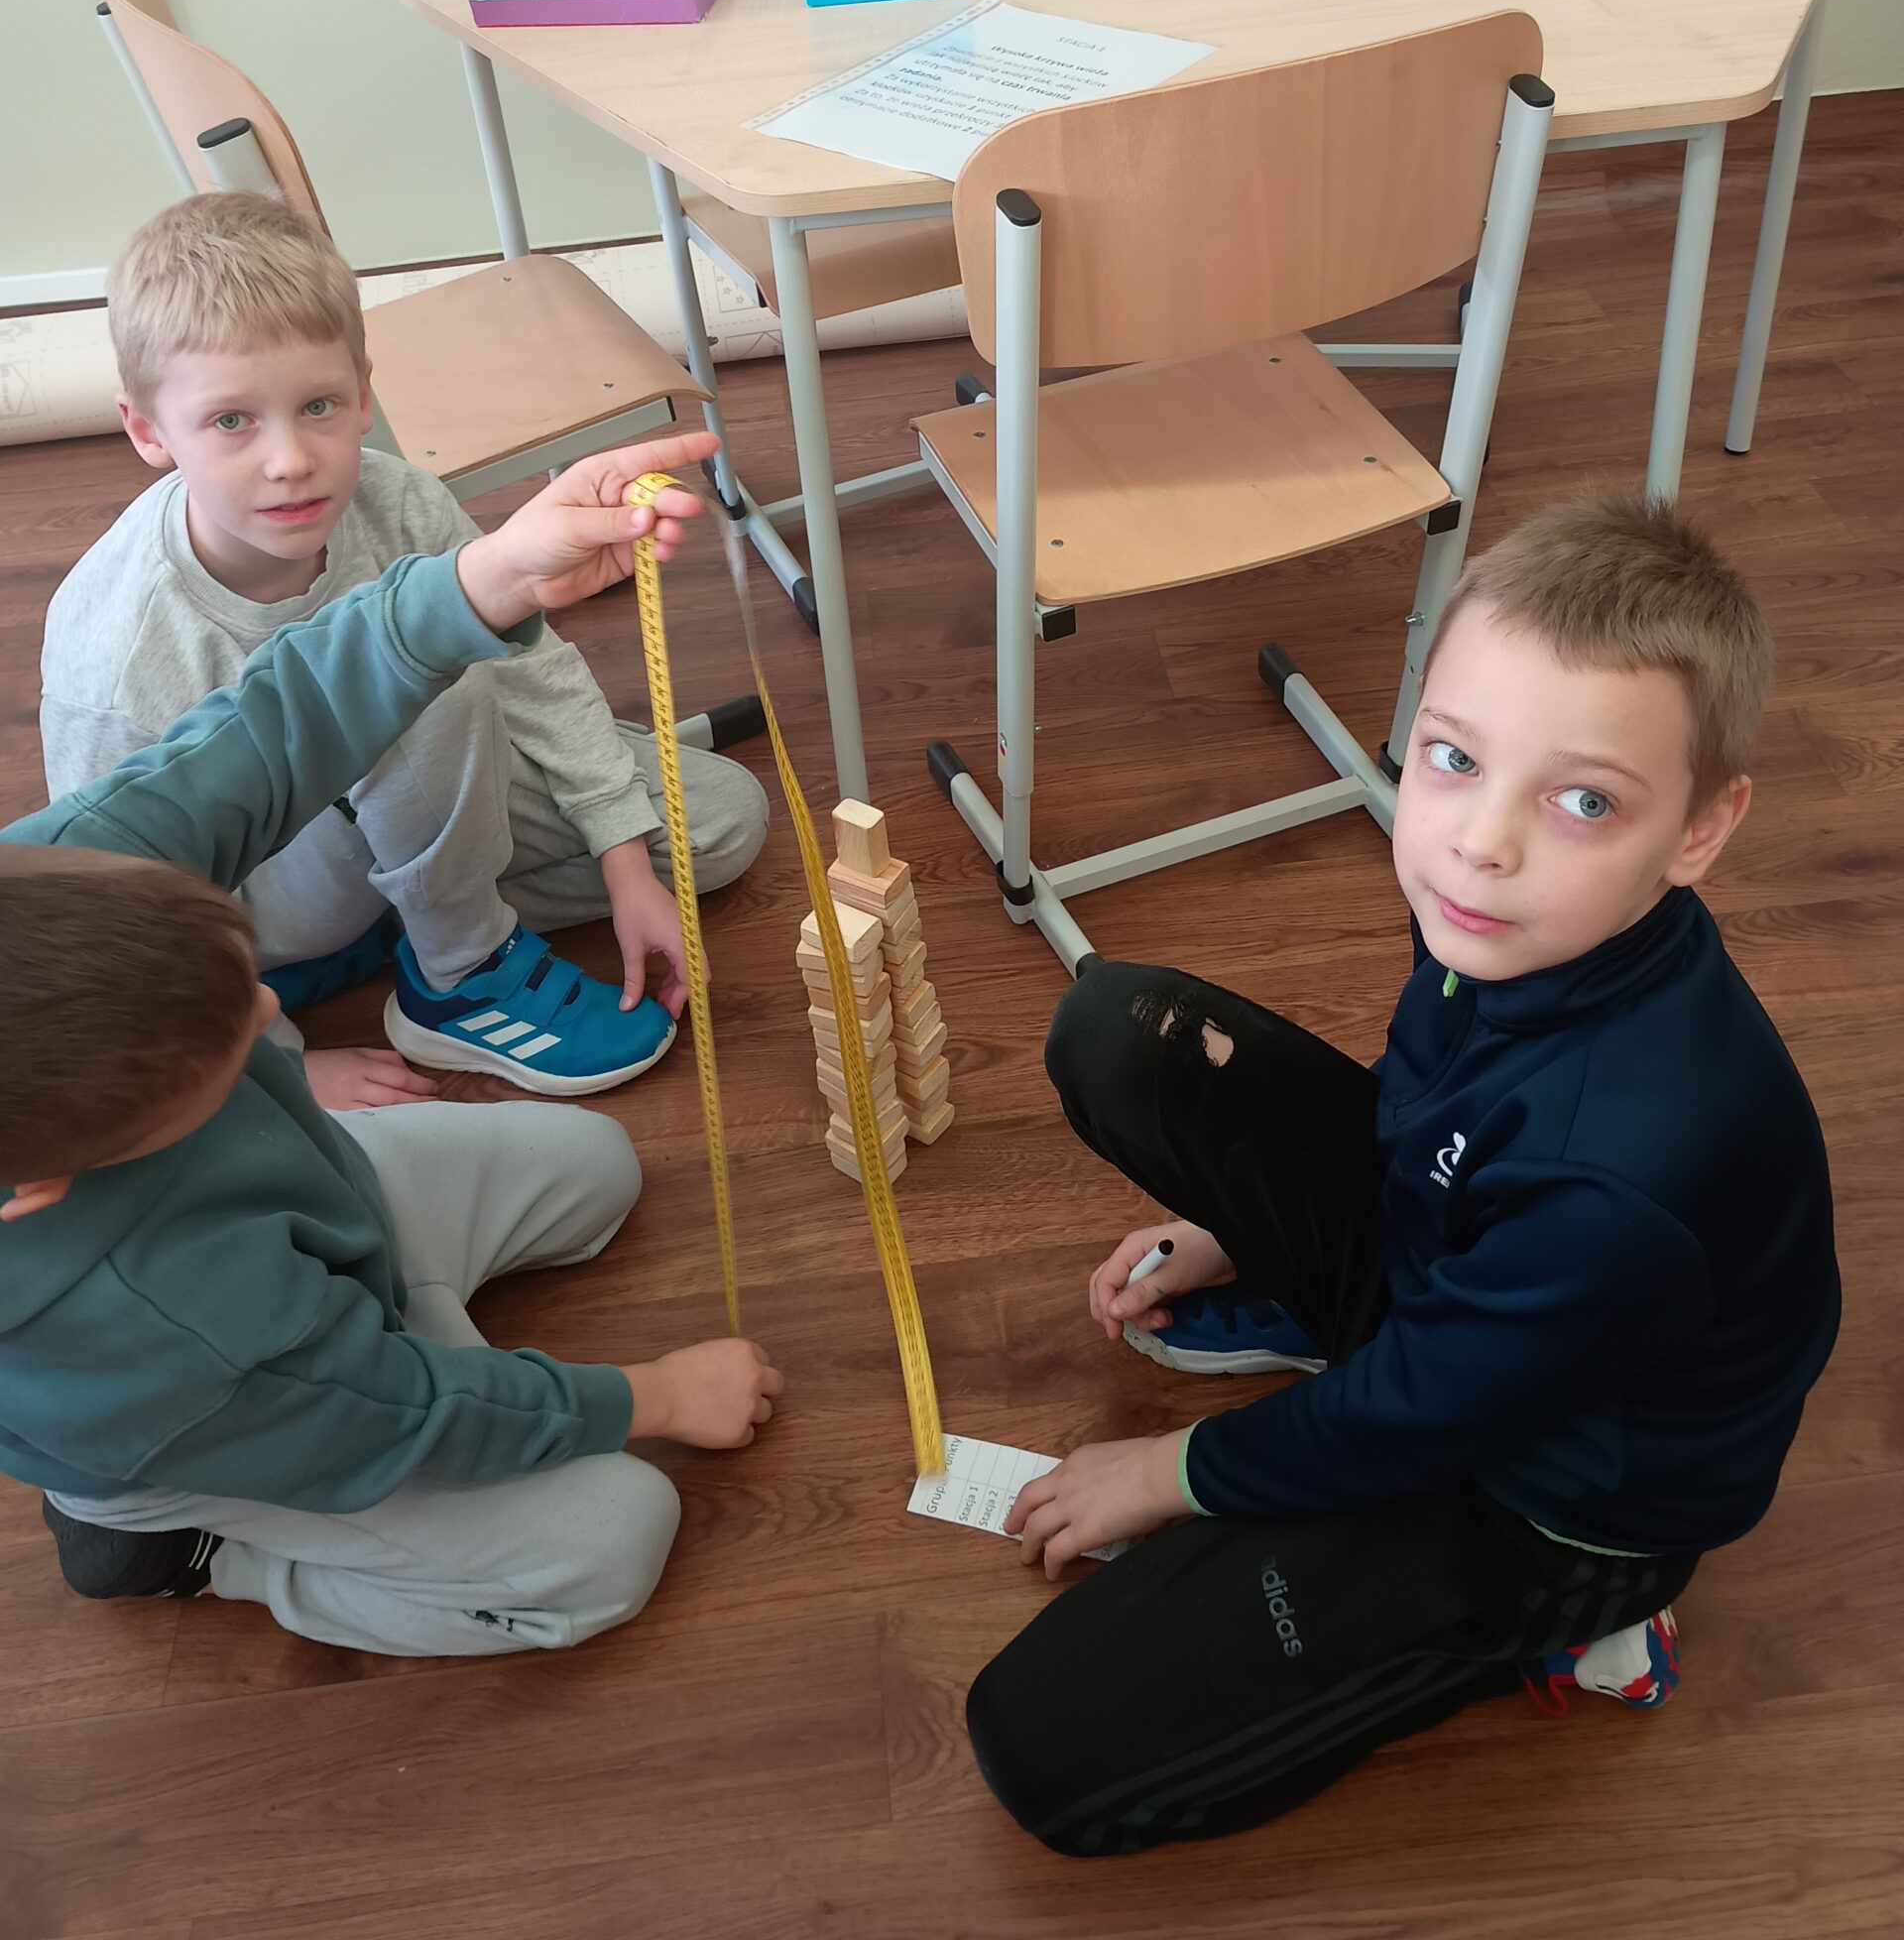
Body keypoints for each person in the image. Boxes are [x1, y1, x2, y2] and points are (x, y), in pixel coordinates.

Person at [966, 491, 1840, 1855]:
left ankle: (1570, 1631)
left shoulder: (1624, 1173)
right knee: (1119, 1034)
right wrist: (1239, 1230)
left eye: (1584, 800)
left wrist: (1174, 1470)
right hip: (1478, 1314)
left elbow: (1422, 1414)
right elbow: (1429, 1101)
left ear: (1698, 832)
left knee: (1041, 1745)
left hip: (1546, 1499)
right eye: (1452, 757)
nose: (1482, 839)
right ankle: (1322, 1332)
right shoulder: (1507, 919)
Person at [1, 433, 783, 1657]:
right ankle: (187, 1549)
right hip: (252, 1405)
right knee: (614, 1533)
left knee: (596, 1169)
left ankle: (387, 1295)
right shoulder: (166, 1326)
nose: (273, 1014)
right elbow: (406, 1414)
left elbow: (273, 725)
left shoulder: (56, 887)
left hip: (308, 1231)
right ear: (48, 1179)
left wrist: (490, 576)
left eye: (242, 982)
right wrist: (654, 1395)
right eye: (225, 1054)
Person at [40, 192, 769, 1108]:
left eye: (317, 405)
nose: (290, 460)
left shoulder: (399, 499)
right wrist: (278, 1070)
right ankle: (458, 970)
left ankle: (414, 912)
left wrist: (626, 862)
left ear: (363, 394)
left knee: (723, 823)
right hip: (256, 894)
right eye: (231, 421)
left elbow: (532, 669)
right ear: (149, 430)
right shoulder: (115, 654)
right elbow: (117, 908)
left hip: (401, 807)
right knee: (416, 670)